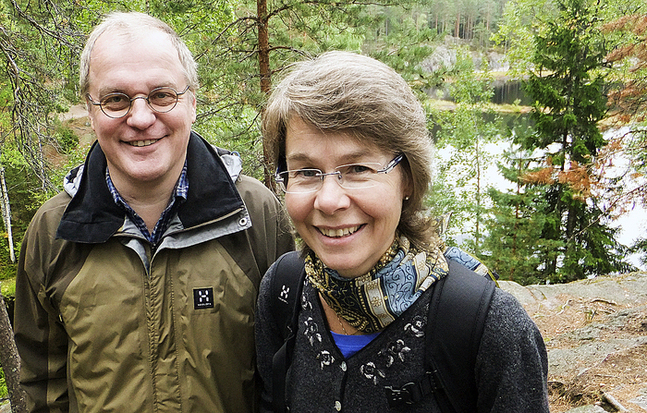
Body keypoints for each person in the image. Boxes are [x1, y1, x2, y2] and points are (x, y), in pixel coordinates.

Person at [14, 11, 293, 413]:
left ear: (192, 103)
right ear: (91, 112)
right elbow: (44, 382)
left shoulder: (254, 214)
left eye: (162, 95)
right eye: (116, 99)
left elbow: (283, 371)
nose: (141, 118)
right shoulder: (53, 231)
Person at [255, 51, 550, 412]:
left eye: (358, 168)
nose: (329, 201)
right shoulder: (283, 290)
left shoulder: (488, 327)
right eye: (305, 171)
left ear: (407, 178)